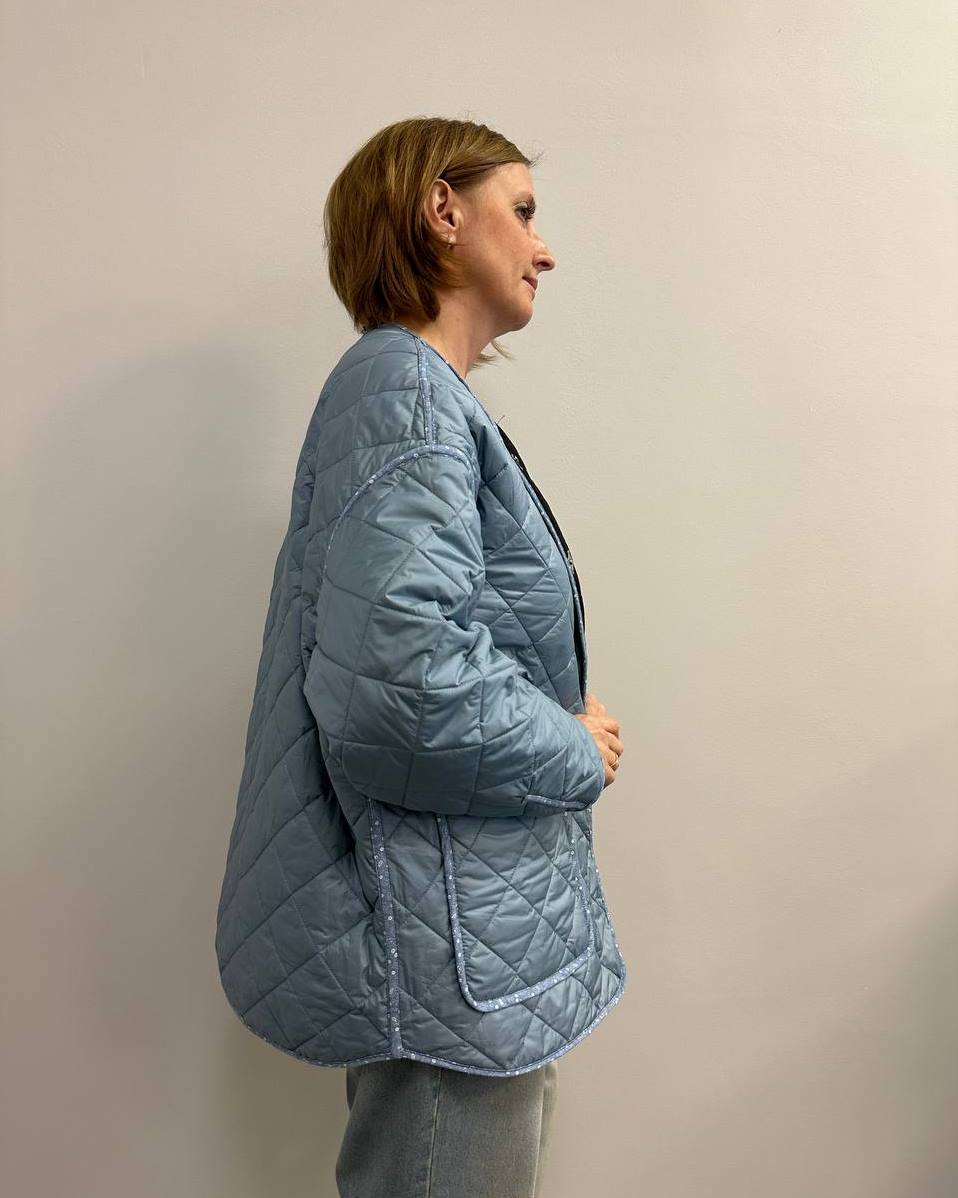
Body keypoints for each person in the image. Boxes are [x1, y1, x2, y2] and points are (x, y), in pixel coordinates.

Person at [214, 116, 627, 1198]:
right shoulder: (400, 390)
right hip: (447, 939)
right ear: (443, 209)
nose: (543, 249)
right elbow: (401, 689)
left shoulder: (417, 393)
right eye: (522, 211)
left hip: (463, 927)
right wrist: (571, 746)